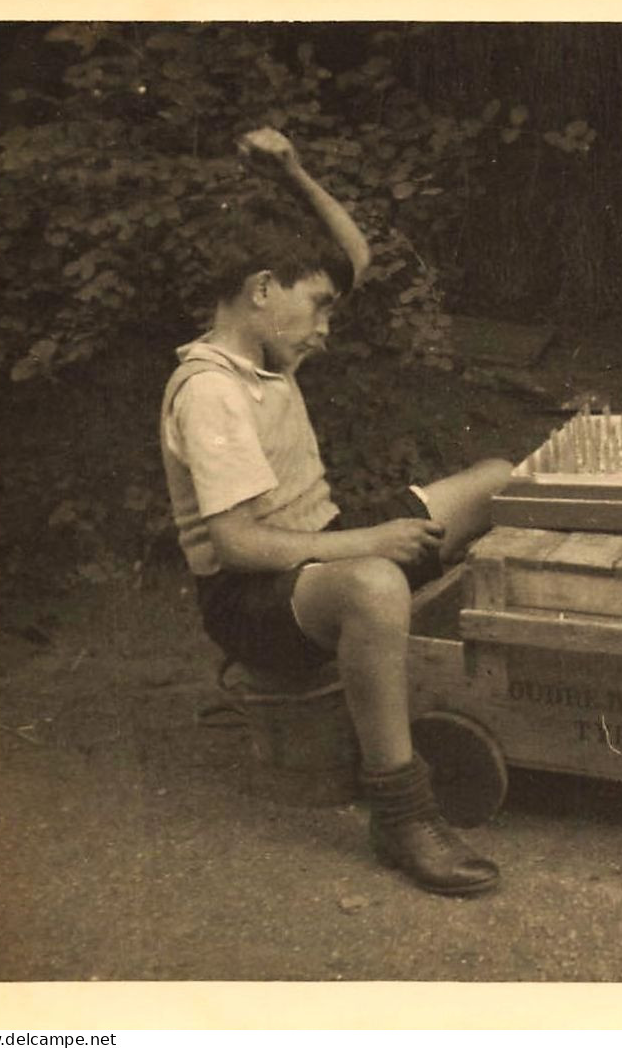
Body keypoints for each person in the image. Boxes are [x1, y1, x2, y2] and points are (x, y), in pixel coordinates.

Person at [159, 128, 513, 896]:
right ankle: (401, 809)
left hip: (315, 547)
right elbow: (238, 543)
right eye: (316, 306)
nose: (327, 322)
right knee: (375, 583)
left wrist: (294, 171)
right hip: (251, 598)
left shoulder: (266, 349)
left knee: (495, 480)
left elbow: (353, 256)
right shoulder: (211, 390)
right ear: (262, 291)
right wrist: (373, 541)